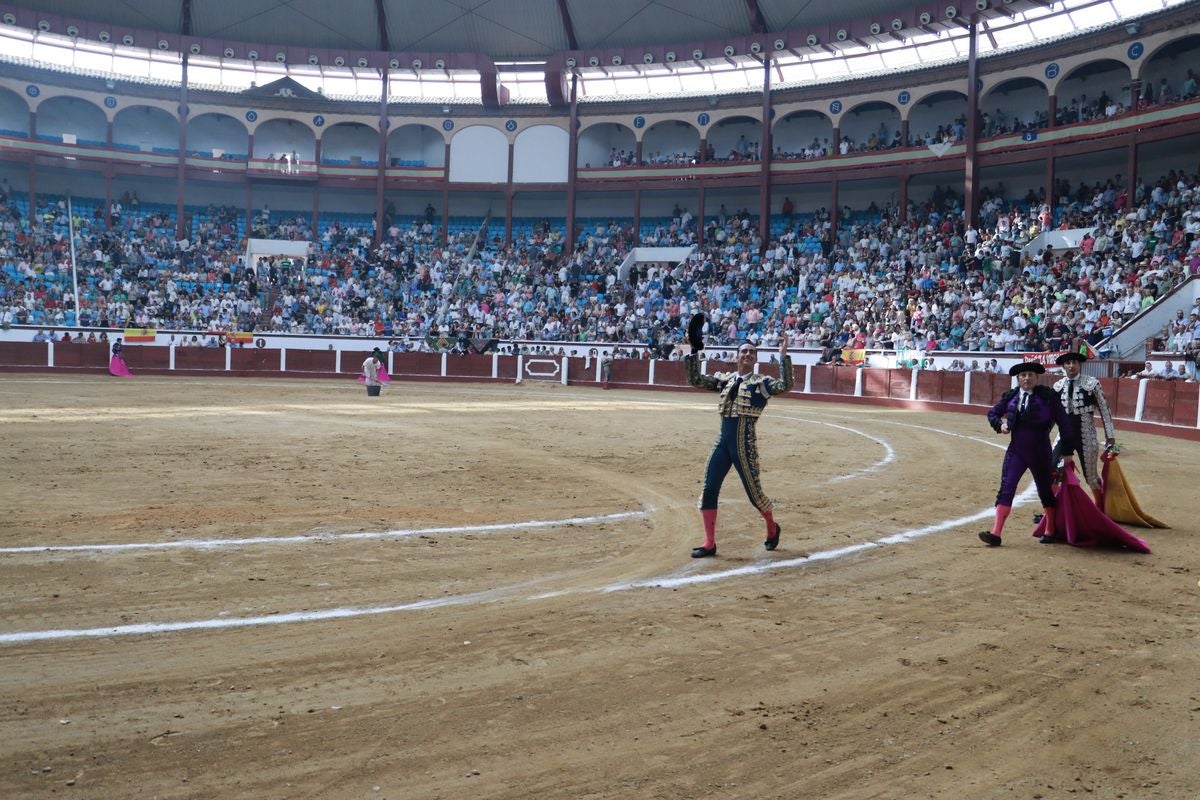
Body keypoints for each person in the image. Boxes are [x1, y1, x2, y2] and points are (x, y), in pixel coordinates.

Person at [684, 337, 794, 558]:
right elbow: (695, 379)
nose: (747, 354)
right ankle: (709, 543)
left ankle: (772, 527)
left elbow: (786, 385)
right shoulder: (725, 380)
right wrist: (694, 352)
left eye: (752, 352)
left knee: (754, 493)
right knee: (709, 489)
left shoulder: (761, 384)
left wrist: (783, 357)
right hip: (723, 442)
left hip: (745, 443)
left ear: (755, 359)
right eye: (744, 351)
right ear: (737, 356)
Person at [980, 361, 1074, 546]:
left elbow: (1064, 423)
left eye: (1030, 375)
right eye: (1023, 375)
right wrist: (1001, 426)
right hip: (1016, 450)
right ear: (1018, 378)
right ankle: (996, 533)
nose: (1027, 378)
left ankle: (1050, 529)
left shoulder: (1048, 397)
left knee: (1045, 490)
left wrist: (1067, 450)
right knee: (1007, 488)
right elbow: (992, 414)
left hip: (1040, 451)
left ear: (1036, 377)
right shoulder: (1011, 396)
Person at [1052, 352, 1115, 506]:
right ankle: (1051, 507)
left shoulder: (1092, 383)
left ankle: (1100, 509)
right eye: (1068, 363)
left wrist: (1110, 436)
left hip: (1086, 434)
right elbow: (1052, 414)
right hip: (1064, 435)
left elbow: (1104, 410)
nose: (1071, 366)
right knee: (1053, 469)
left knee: (1091, 476)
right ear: (1064, 366)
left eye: (1074, 362)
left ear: (1079, 364)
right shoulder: (1058, 386)